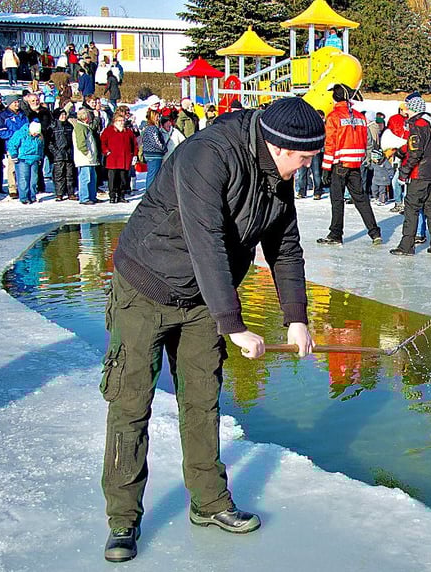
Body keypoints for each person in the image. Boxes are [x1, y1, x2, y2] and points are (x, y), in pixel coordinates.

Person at [100, 97, 321, 563]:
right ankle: (123, 517)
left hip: (202, 301)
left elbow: (286, 246)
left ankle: (210, 501)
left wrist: (296, 316)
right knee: (131, 402)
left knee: (202, 401)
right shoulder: (209, 153)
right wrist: (234, 324)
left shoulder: (277, 178)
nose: (307, 167)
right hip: (145, 286)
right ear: (280, 146)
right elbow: (207, 242)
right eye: (304, 158)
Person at [318, 85, 381, 245]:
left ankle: (335, 235)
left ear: (335, 98)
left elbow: (330, 143)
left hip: (339, 164)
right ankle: (375, 233)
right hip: (355, 164)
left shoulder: (334, 116)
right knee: (361, 199)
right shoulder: (360, 116)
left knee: (337, 200)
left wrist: (326, 167)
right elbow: (364, 140)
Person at [391, 92, 431, 255]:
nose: (405, 110)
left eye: (407, 107)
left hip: (419, 174)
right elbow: (419, 146)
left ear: (411, 108)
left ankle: (406, 246)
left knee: (411, 208)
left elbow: (416, 151)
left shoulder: (417, 124)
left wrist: (403, 172)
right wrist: (401, 151)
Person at [0, 94, 27, 199]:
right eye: (14, 102)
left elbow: (27, 127)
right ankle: (12, 188)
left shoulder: (23, 114)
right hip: (12, 145)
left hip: (24, 145)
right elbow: (1, 132)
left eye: (18, 102)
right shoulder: (4, 116)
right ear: (9, 104)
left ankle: (23, 187)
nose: (17, 104)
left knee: (23, 167)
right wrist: (16, 135)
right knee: (12, 167)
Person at [8, 121, 44, 204]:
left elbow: (41, 147)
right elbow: (12, 144)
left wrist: (40, 157)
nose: (35, 134)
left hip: (34, 159)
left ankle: (32, 196)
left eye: (37, 133)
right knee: (23, 179)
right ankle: (24, 197)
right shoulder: (20, 134)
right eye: (34, 132)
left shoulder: (39, 137)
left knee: (33, 180)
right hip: (22, 159)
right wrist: (14, 155)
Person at [72, 107, 99, 204]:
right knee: (85, 178)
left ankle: (92, 196)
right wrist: (87, 153)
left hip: (90, 159)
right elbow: (81, 144)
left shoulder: (86, 127)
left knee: (92, 178)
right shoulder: (80, 127)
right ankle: (84, 198)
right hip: (84, 159)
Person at [49, 107, 76, 200]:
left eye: (65, 114)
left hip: (68, 153)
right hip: (58, 154)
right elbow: (50, 142)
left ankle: (70, 192)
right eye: (62, 115)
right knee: (59, 175)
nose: (64, 116)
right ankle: (59, 193)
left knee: (70, 174)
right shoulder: (53, 126)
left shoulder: (69, 125)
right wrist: (55, 151)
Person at [139, 109, 167, 191]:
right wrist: (163, 148)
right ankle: (149, 192)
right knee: (153, 175)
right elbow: (156, 141)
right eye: (157, 117)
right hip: (154, 154)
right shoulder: (152, 129)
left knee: (153, 174)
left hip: (152, 154)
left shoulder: (150, 128)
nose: (158, 119)